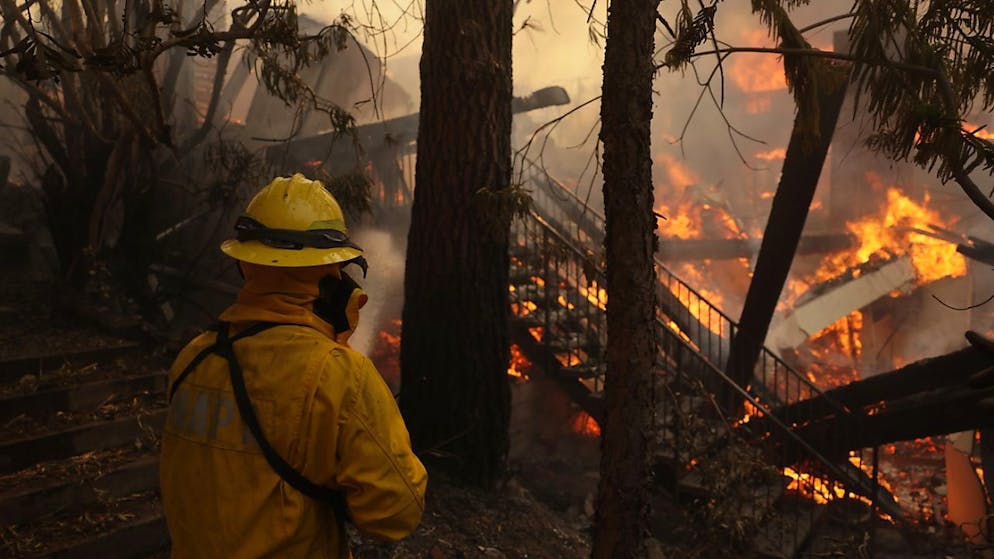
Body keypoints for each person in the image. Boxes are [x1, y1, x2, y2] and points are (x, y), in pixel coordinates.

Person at [160, 174, 427, 558]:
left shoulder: (194, 359)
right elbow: (395, 514)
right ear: (331, 274)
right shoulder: (340, 376)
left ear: (246, 266)